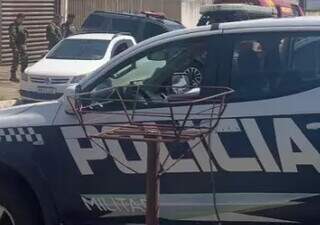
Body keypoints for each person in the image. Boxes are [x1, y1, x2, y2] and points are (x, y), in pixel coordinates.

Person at [9, 13, 28, 82]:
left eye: (23, 19)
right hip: (16, 45)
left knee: (25, 60)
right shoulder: (13, 26)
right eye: (21, 19)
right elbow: (12, 37)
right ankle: (13, 76)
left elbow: (25, 35)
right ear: (18, 18)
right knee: (15, 60)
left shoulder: (21, 26)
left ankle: (23, 75)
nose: (22, 20)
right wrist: (14, 47)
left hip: (22, 45)